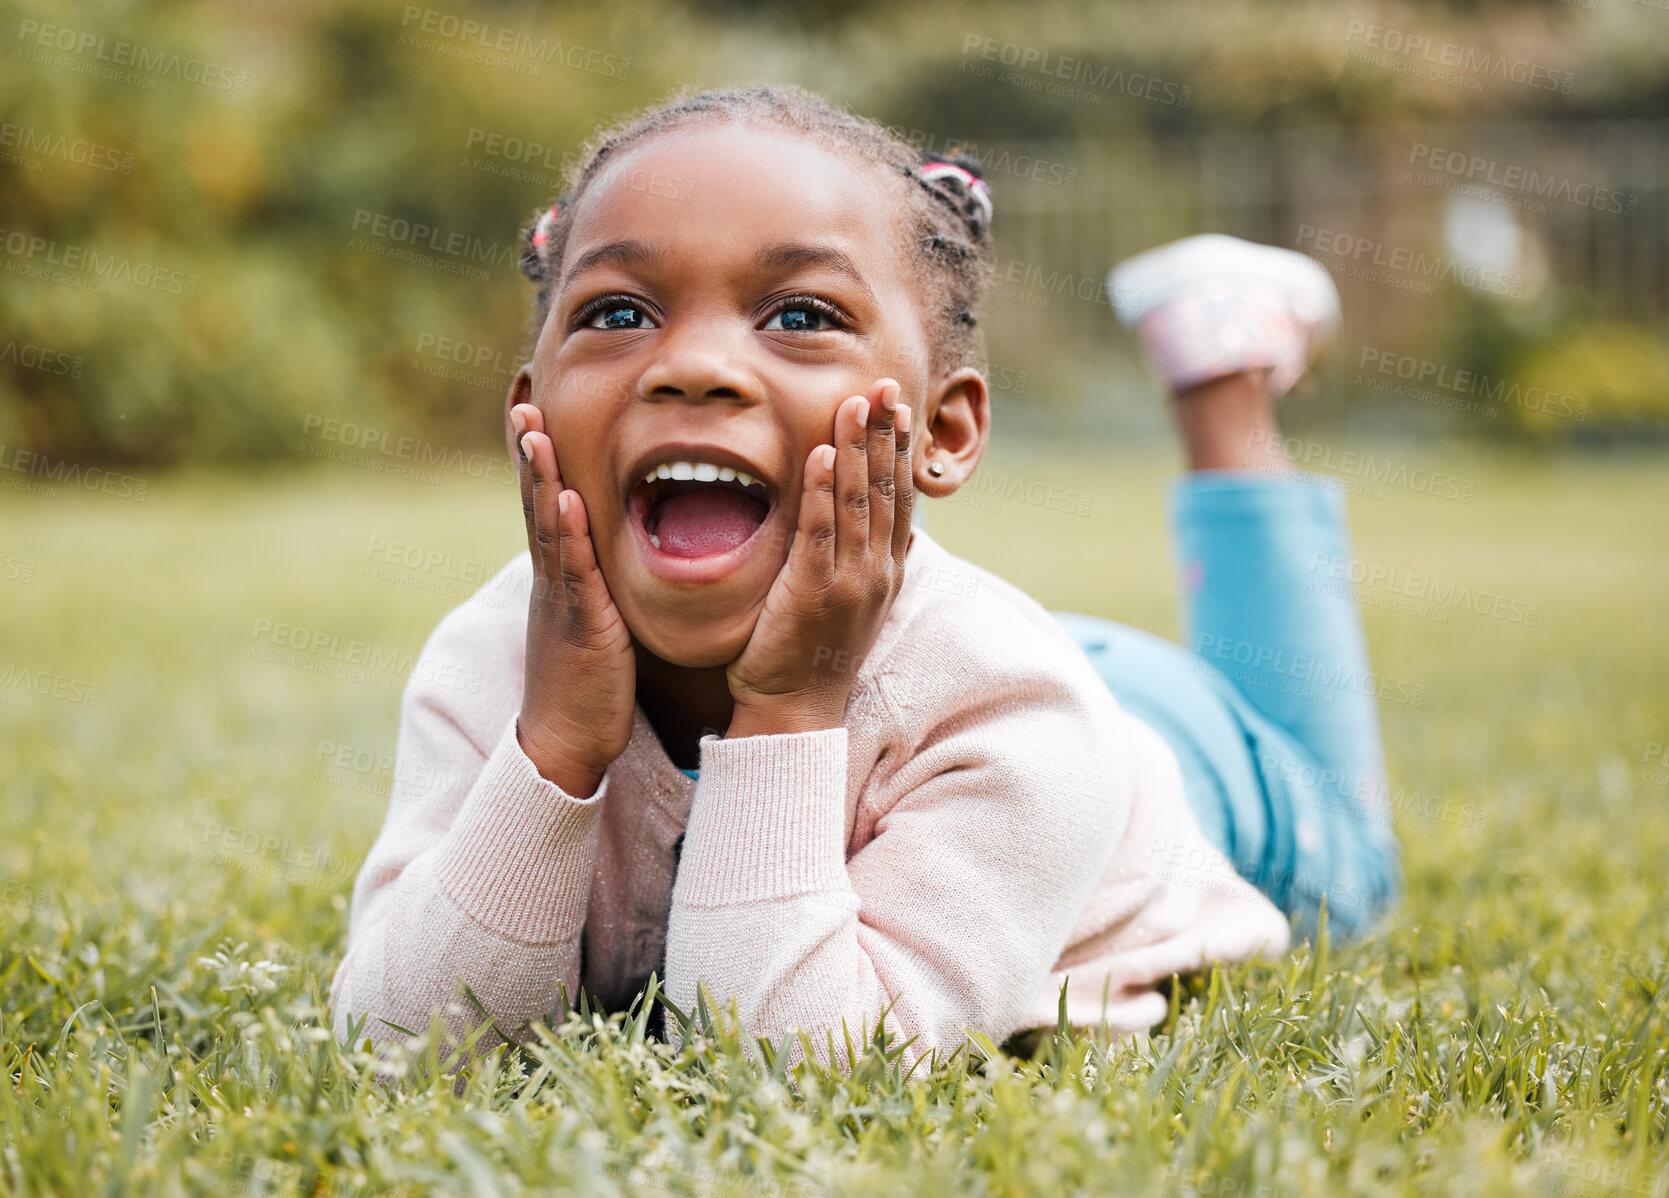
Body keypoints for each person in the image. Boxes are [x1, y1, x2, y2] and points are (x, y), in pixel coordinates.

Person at [330, 86, 1391, 1069]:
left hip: (1177, 767)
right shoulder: (488, 661)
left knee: (1350, 842)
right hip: (968, 666)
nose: (691, 364)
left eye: (799, 315)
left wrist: (792, 705)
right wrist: (553, 749)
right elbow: (399, 1041)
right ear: (530, 407)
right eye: (618, 313)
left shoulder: (1023, 721)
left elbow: (799, 1068)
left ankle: (1224, 385)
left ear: (941, 428)